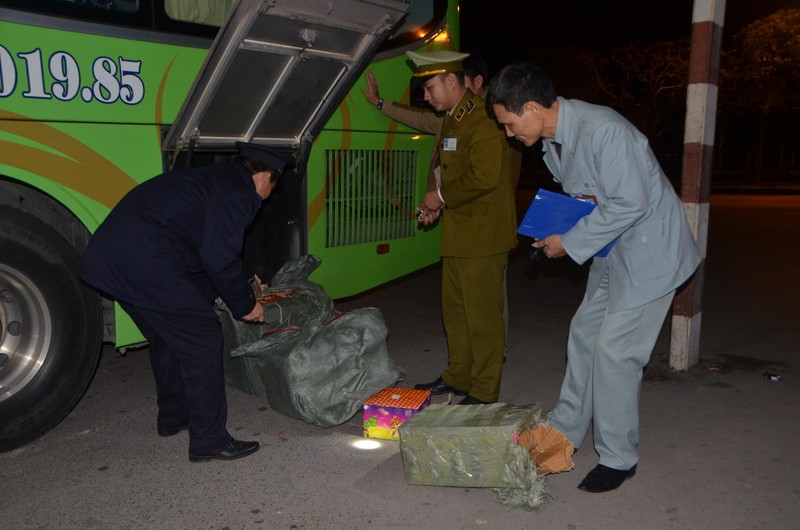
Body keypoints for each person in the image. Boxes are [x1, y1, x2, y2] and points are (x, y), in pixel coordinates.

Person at [486, 63, 701, 492]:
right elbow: (591, 198)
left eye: (509, 124)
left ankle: (619, 458)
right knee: (583, 334)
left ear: (531, 107)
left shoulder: (604, 130)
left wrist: (570, 242)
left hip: (650, 253)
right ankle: (562, 432)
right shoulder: (552, 142)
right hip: (613, 250)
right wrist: (559, 231)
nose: (509, 135)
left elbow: (630, 203)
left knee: (614, 353)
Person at [79, 142, 293, 462]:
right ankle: (209, 439)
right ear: (265, 176)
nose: (271, 194)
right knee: (203, 337)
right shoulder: (241, 195)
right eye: (274, 185)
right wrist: (246, 304)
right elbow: (219, 256)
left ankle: (174, 416)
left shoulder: (214, 179)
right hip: (144, 259)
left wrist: (218, 293)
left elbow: (195, 247)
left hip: (111, 258)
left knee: (169, 336)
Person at [370, 50, 516, 404]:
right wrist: (434, 198)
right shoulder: (453, 118)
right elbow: (447, 169)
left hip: (483, 236)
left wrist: (441, 197)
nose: (426, 95)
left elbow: (484, 177)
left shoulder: (483, 119)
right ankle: (459, 376)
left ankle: (483, 389)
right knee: (455, 312)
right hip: (460, 233)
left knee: (482, 317)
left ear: (453, 81)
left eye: (430, 87)